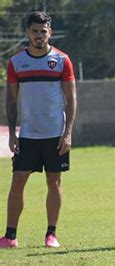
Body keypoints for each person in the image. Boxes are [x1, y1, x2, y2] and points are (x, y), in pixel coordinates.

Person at [0, 11, 77, 248]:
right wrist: (12, 133)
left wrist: (68, 133)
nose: (39, 36)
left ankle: (51, 234)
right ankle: (10, 236)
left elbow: (71, 99)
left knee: (54, 182)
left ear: (49, 33)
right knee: (18, 181)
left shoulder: (62, 60)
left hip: (55, 134)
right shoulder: (16, 62)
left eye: (43, 31)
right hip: (28, 135)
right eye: (34, 31)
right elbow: (11, 101)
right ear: (27, 33)